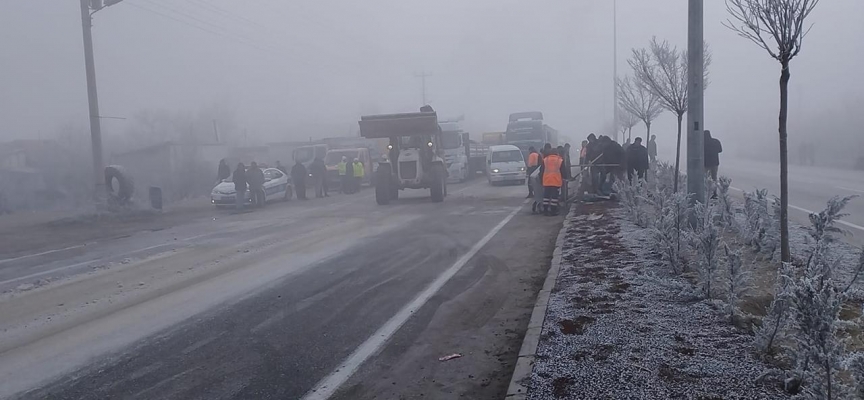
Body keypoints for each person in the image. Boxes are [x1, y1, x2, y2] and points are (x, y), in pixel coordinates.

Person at [539, 148, 566, 216]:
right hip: (556, 181)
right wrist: (565, 178)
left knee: (546, 196)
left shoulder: (545, 160)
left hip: (547, 180)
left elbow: (541, 171)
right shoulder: (560, 160)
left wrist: (541, 179)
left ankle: (545, 210)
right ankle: (553, 210)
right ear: (557, 153)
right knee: (554, 197)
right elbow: (563, 171)